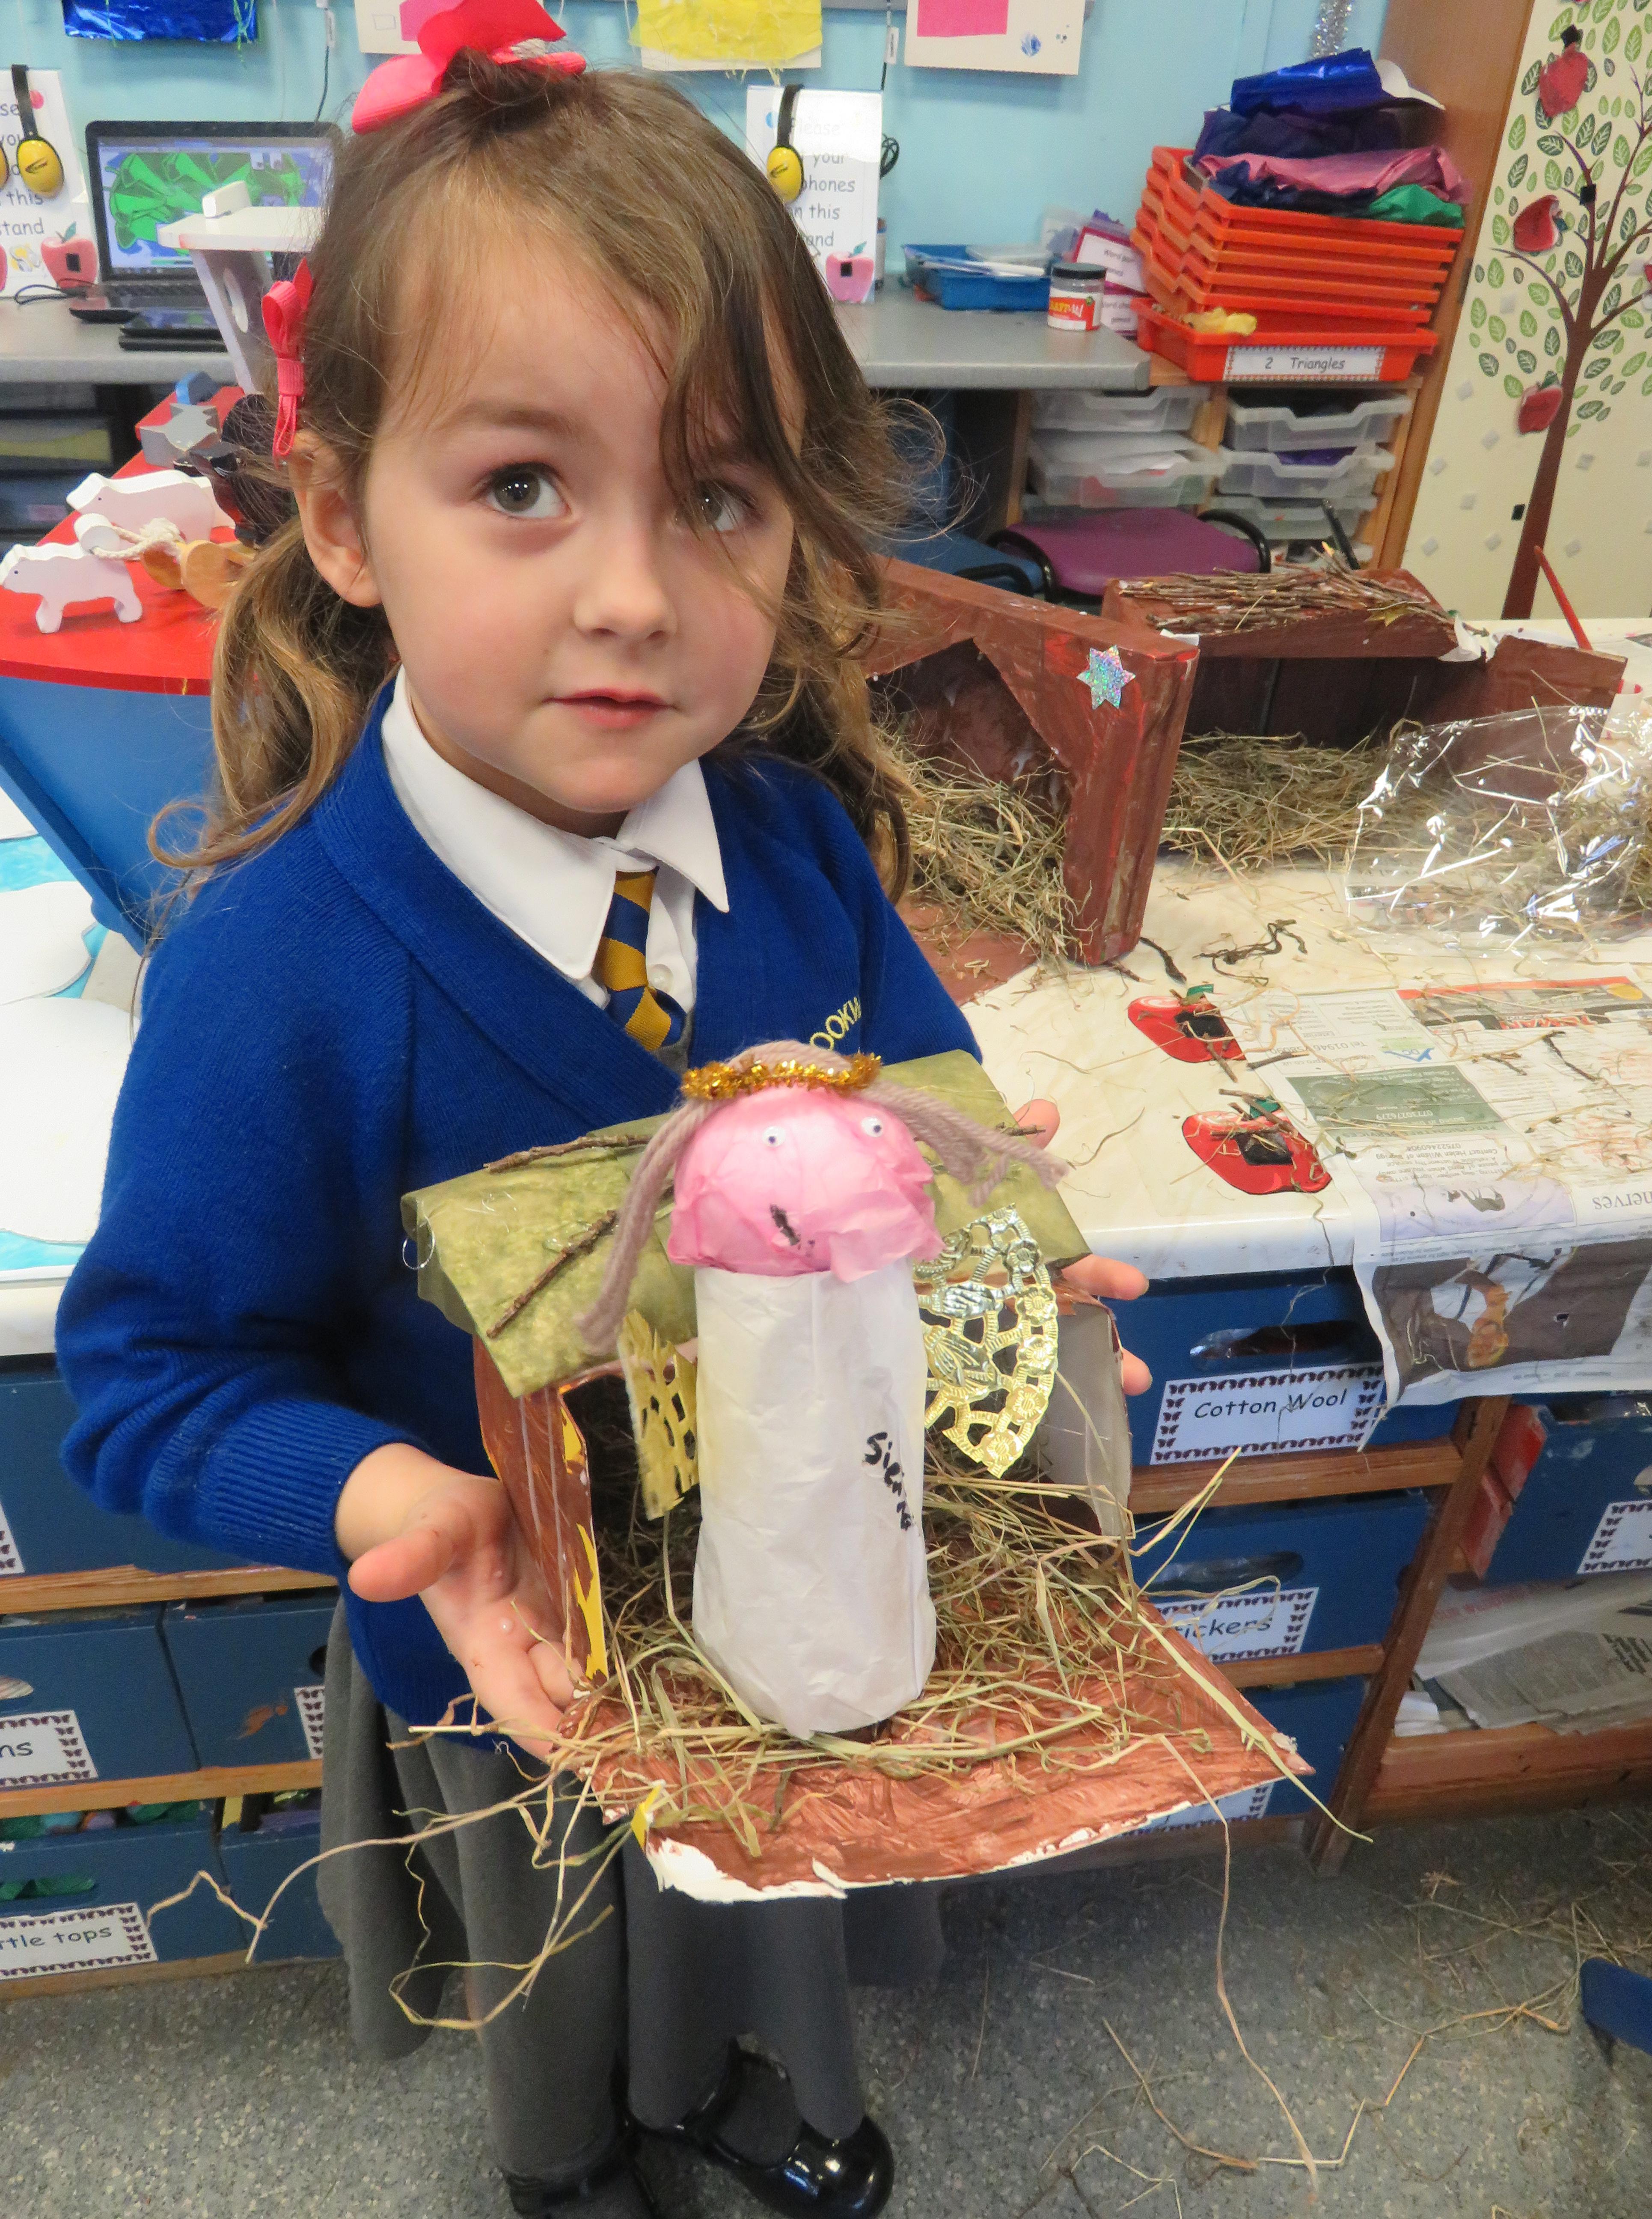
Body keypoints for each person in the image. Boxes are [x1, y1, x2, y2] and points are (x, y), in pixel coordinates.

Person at [55, 19, 1147, 2218]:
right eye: (523, 488)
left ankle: (761, 2093)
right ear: (344, 516)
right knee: (564, 1990)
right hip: (515, 1667)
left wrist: (1015, 1291)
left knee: (772, 1923)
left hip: (807, 1585)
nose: (636, 594)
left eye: (717, 497)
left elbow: (932, 1143)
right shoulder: (281, 972)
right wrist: (402, 1498)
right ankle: (577, 2165)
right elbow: (150, 1385)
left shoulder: (801, 854)